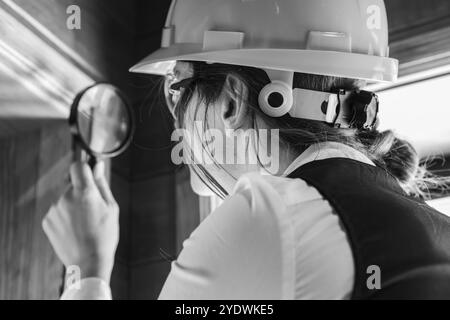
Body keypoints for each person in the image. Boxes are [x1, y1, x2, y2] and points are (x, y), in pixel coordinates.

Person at [43, 0, 450, 300]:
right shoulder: (435, 230)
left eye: (176, 89)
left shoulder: (270, 218)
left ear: (231, 101)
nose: (177, 118)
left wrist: (89, 269)